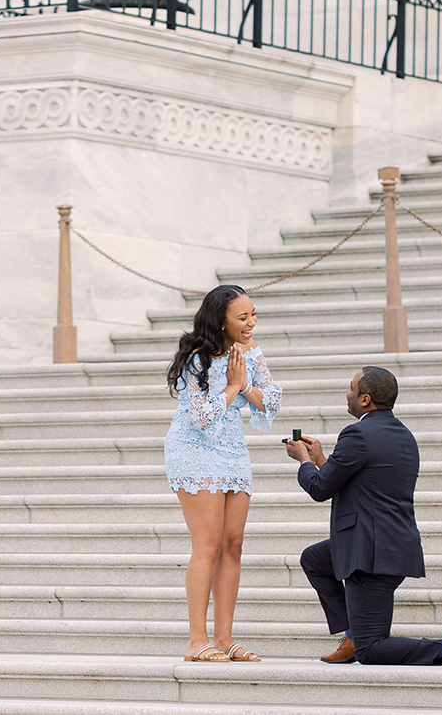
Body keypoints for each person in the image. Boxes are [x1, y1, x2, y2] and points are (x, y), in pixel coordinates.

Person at [285, 366, 442, 667]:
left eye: (351, 389)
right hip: (391, 545)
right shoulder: (403, 435)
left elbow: (320, 488)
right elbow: (360, 481)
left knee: (372, 651)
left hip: (369, 554)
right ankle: (353, 635)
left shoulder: (357, 434)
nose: (347, 394)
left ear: (365, 400)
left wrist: (303, 461)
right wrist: (322, 459)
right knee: (315, 559)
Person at [165, 284, 282, 663]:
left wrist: (244, 383)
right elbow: (201, 417)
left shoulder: (252, 353)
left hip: (232, 450)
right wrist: (234, 386)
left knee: (233, 544)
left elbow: (270, 400)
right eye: (243, 317)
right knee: (209, 544)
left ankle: (224, 638)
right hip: (194, 450)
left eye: (253, 314)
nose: (251, 323)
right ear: (222, 320)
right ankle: (197, 641)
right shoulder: (195, 359)